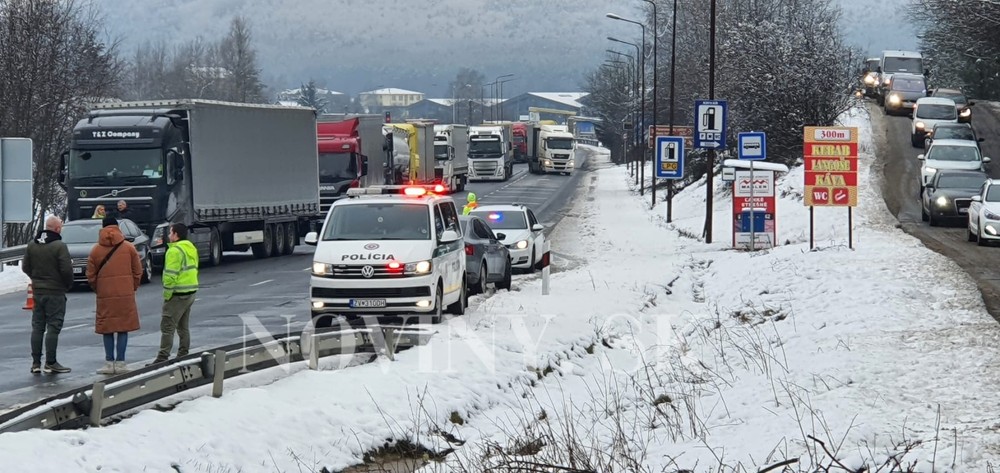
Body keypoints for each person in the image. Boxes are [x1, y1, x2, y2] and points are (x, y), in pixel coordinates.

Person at [86, 217, 142, 375]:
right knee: (123, 328)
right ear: (118, 228)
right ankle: (121, 362)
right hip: (125, 294)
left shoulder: (95, 250)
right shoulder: (129, 248)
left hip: (105, 294)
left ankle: (109, 362)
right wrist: (132, 287)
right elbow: (138, 271)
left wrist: (99, 288)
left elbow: (90, 275)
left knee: (108, 328)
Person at [21, 216, 74, 374]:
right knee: (53, 326)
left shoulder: (32, 244)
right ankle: (51, 362)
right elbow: (66, 270)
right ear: (57, 229)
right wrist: (67, 284)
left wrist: (36, 279)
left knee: (38, 327)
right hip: (55, 291)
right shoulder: (59, 246)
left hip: (38, 291)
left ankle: (36, 363)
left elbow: (25, 267)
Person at [152, 223, 199, 364]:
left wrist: (167, 295)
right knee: (183, 326)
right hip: (190, 291)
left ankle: (162, 357)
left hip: (178, 293)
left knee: (167, 326)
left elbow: (170, 276)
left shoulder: (174, 251)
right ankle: (183, 353)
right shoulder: (190, 248)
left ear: (176, 235)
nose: (168, 235)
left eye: (170, 232)